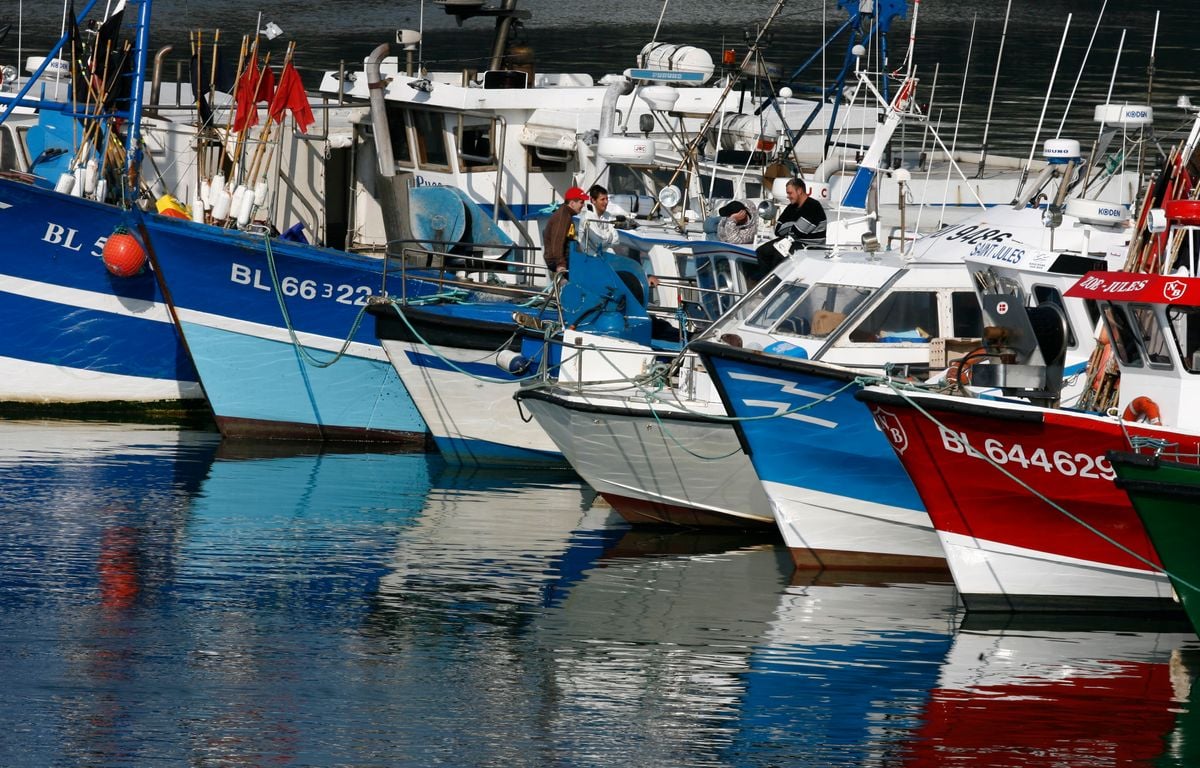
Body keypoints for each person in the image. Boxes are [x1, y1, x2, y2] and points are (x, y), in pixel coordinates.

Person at [752, 177, 826, 282]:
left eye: (790, 193)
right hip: (792, 240)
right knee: (761, 251)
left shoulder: (813, 206)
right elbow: (777, 230)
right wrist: (794, 224)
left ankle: (776, 287)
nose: (788, 196)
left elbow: (799, 231)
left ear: (799, 191)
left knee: (779, 255)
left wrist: (789, 226)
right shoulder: (792, 207)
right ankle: (766, 285)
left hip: (810, 245)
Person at [542, 185, 588, 275]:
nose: (583, 205)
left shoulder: (566, 215)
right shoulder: (563, 217)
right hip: (557, 261)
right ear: (572, 203)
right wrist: (560, 264)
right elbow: (557, 241)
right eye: (581, 202)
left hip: (565, 258)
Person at [577, 184, 635, 254]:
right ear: (593, 200)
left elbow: (616, 241)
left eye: (607, 199)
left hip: (605, 256)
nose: (606, 202)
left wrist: (603, 239)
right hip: (589, 258)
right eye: (602, 199)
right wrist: (609, 235)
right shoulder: (587, 217)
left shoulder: (608, 215)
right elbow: (598, 243)